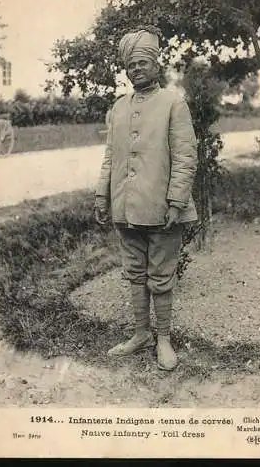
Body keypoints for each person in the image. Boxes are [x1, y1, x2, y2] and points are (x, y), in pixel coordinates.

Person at [94, 27, 198, 371]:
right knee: (135, 273)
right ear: (125, 70)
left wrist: (177, 201)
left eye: (143, 62)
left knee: (162, 274)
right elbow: (111, 157)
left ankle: (163, 338)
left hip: (163, 208)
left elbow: (186, 156)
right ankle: (140, 334)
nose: (137, 68)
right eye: (131, 64)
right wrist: (102, 196)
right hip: (126, 208)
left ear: (156, 64)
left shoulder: (173, 102)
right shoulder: (119, 106)